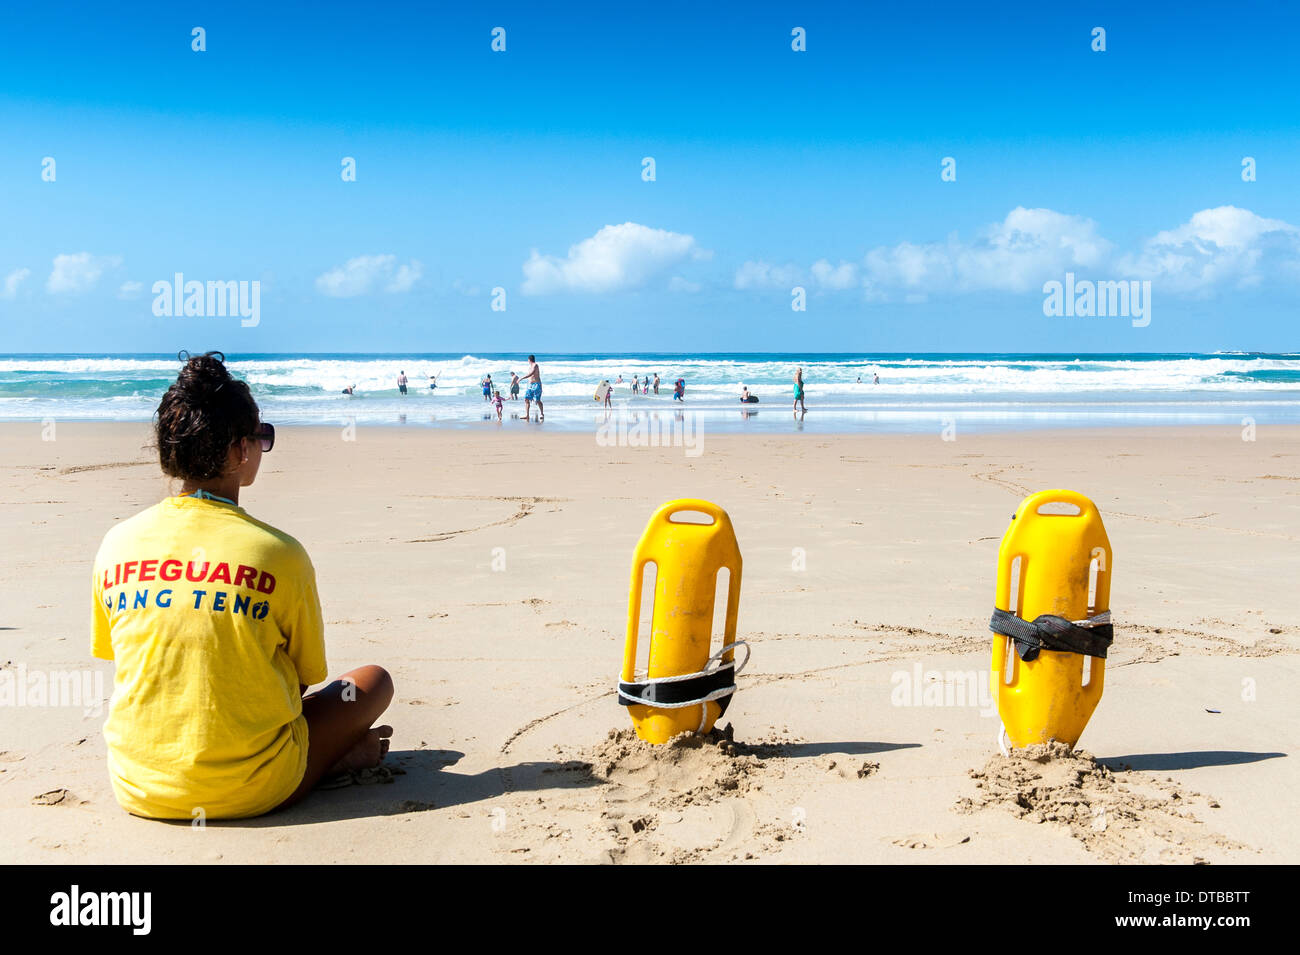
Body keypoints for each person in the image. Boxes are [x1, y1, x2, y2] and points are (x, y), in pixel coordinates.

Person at [90, 351, 394, 820]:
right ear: (238, 451)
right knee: (372, 683)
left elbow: (125, 656)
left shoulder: (116, 543)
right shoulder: (279, 553)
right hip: (255, 788)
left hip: (139, 787)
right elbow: (304, 675)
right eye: (261, 437)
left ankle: (321, 754)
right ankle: (330, 759)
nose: (261, 447)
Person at [520, 354, 543, 421]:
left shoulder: (535, 365)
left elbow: (531, 374)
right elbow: (530, 377)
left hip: (536, 385)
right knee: (526, 399)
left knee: (537, 400)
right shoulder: (529, 367)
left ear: (529, 360)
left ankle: (541, 413)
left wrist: (521, 378)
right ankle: (527, 415)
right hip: (530, 385)